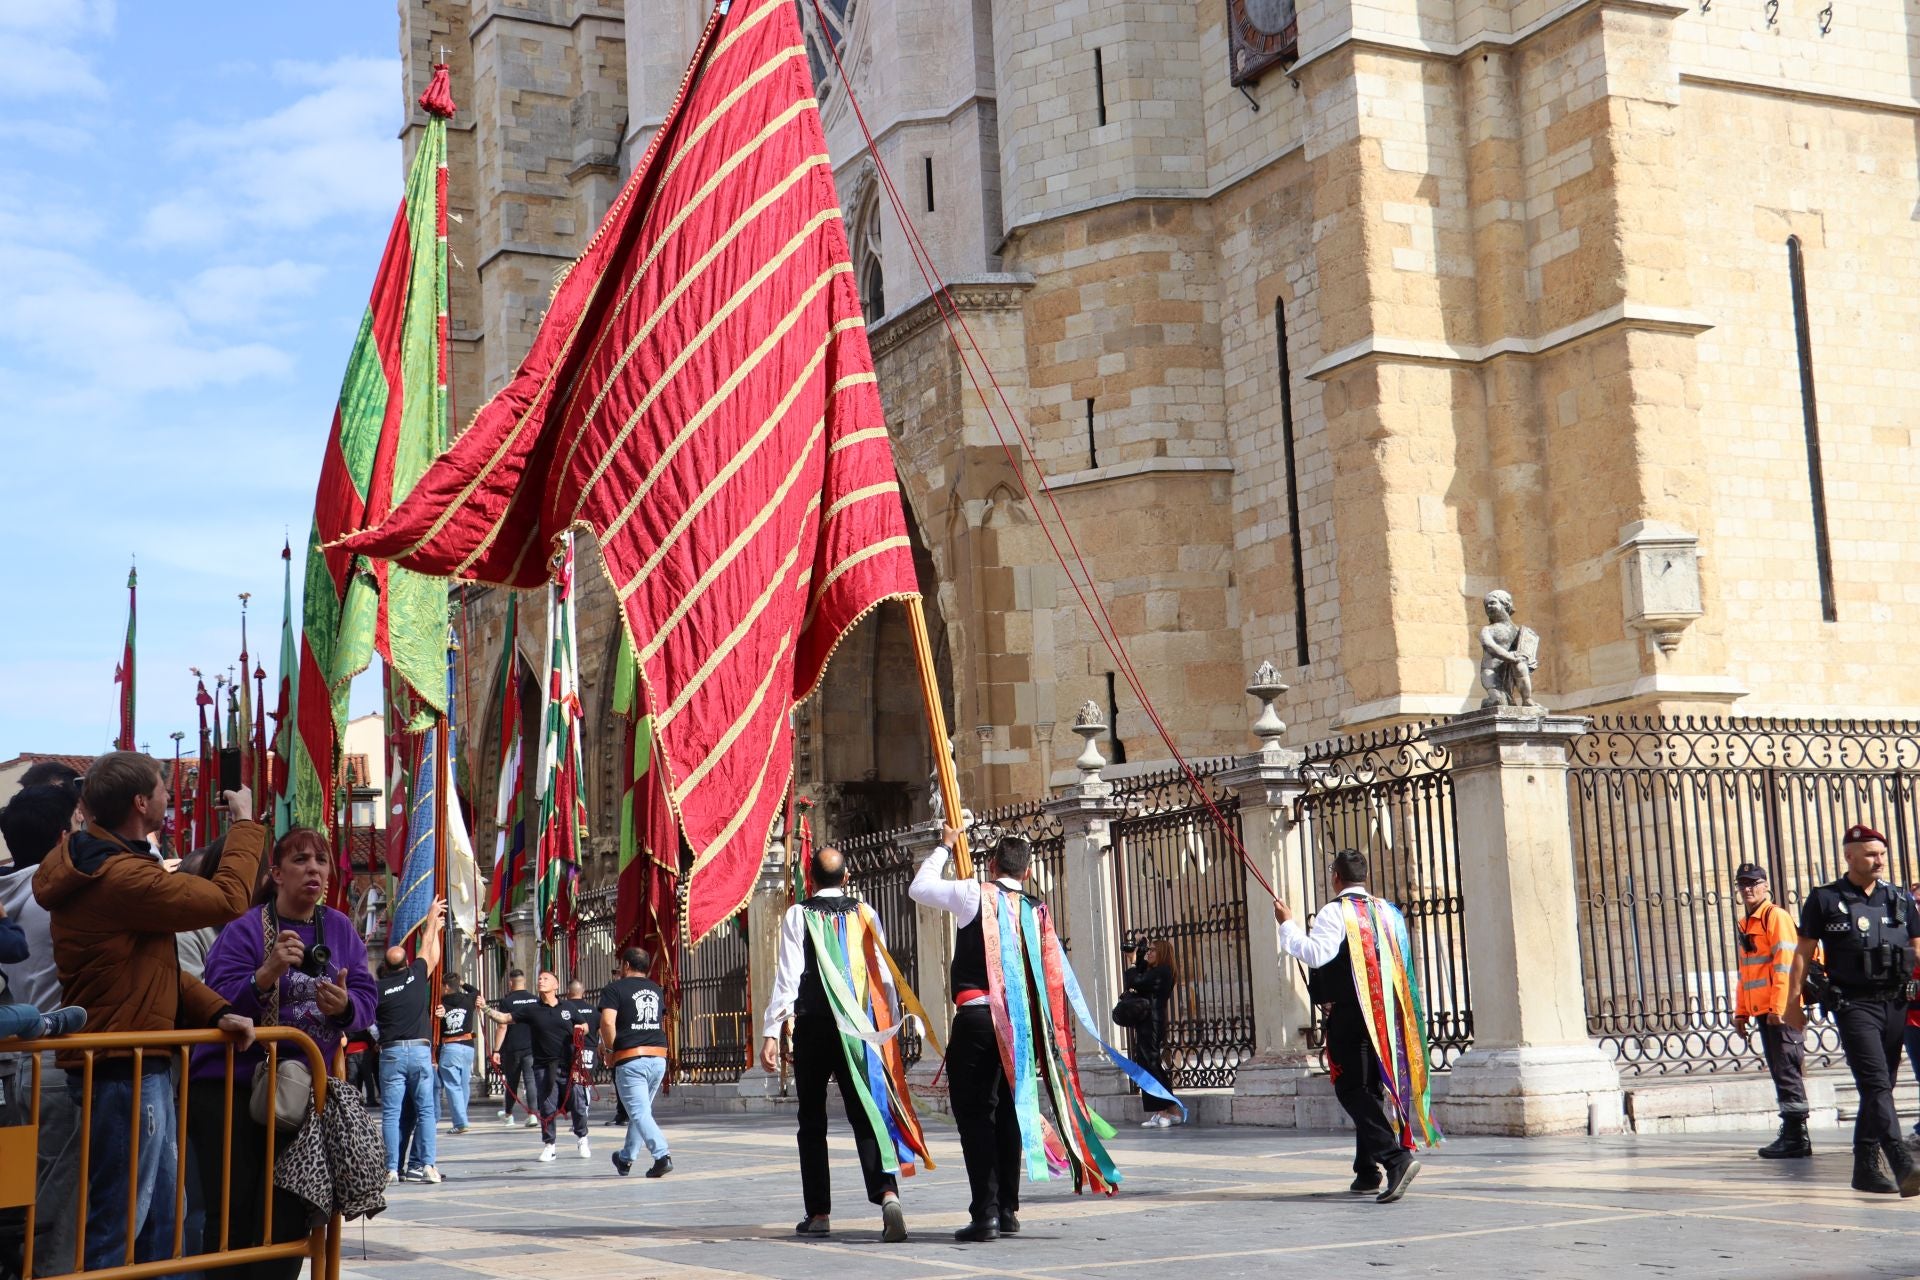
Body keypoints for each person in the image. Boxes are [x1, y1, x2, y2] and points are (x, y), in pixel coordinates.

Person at [32, 758, 261, 1272]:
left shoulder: (100, 864)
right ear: (140, 803)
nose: (166, 797)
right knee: (120, 1224)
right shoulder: (120, 877)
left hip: (132, 1063)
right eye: (162, 789)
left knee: (162, 1223)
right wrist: (244, 824)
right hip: (125, 1069)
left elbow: (149, 970)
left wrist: (216, 1008)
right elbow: (228, 898)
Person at [911, 826, 1177, 1242]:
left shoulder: (971, 894)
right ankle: (1008, 1209)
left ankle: (986, 1213)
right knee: (1009, 1110)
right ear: (1029, 871)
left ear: (993, 864)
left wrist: (945, 845)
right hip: (1021, 1027)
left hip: (978, 1020)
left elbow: (919, 887)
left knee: (976, 1115)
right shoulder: (1038, 910)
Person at [190, 827, 379, 1278]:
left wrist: (345, 1007)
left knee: (291, 1212)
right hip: (230, 1089)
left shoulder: (339, 928)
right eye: (300, 860)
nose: (313, 869)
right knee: (231, 1214)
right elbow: (213, 1000)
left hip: (301, 1097)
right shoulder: (244, 929)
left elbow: (367, 1000)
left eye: (320, 860)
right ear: (276, 873)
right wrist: (266, 973)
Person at [762, 845, 933, 1242]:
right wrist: (886, 1026)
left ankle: (819, 1212)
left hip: (813, 1027)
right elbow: (883, 976)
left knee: (812, 1121)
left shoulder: (797, 914)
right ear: (846, 878)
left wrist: (772, 1030)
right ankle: (887, 1193)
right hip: (859, 1029)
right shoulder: (865, 912)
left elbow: (789, 976)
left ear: (811, 878)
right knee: (868, 1114)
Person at [1272, 849, 1439, 1204]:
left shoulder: (1335, 912)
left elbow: (1316, 954)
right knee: (1370, 1088)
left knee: (1350, 1088)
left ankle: (1395, 1159)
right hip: (1385, 1015)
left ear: (1336, 878)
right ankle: (1366, 1171)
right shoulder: (1388, 911)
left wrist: (1287, 923)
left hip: (1350, 1013)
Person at [1784, 824, 1920, 1196]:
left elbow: (1917, 947)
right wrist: (1792, 1002)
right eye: (1871, 854)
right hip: (1854, 1004)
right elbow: (1803, 953)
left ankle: (1863, 1166)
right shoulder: (1825, 899)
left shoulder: (1899, 899)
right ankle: (1900, 1161)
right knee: (1876, 1084)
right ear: (1849, 855)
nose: (1880, 861)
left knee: (1881, 1087)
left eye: (1882, 854)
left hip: (1895, 1002)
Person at [0, 781, 86, 1276]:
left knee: (18, 1200)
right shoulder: (55, 899)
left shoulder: (9, 897)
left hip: (17, 1068)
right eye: (77, 828)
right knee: (54, 1207)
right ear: (61, 839)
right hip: (56, 1066)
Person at [1732, 862, 1810, 1159]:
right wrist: (1742, 1012)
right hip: (1765, 1010)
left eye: (1753, 883)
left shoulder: (1774, 917)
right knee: (1781, 1070)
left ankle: (1797, 1136)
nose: (1748, 888)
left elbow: (1786, 966)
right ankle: (1792, 1132)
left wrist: (1780, 1007)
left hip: (1781, 1010)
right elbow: (1746, 972)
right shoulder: (1747, 923)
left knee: (1788, 1070)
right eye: (1743, 884)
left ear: (1766, 886)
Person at [375, 899, 447, 1184]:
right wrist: (432, 922)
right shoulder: (415, 977)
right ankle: (427, 1165)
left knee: (390, 1114)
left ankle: (390, 1168)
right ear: (406, 964)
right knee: (426, 1110)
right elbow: (429, 953)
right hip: (419, 1052)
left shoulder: (378, 989)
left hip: (391, 1054)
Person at [481, 971, 586, 1160]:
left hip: (569, 1066)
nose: (541, 980)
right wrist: (485, 1008)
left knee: (577, 1103)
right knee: (547, 1106)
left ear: (556, 985)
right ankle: (549, 1144)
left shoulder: (568, 1008)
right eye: (539, 978)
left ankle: (582, 1137)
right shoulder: (532, 1009)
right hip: (543, 1066)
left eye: (546, 978)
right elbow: (504, 1019)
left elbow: (584, 1025)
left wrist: (580, 1028)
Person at [599, 947, 671, 1178]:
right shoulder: (656, 989)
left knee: (639, 1112)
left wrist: (610, 1050)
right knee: (640, 1112)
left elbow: (608, 1022)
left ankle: (662, 1155)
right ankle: (625, 1159)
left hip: (631, 1058)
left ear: (626, 966)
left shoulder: (614, 989)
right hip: (658, 1055)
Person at [1122, 939, 1179, 1128]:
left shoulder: (1162, 971)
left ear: (1162, 953)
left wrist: (1131, 962)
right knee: (1153, 1064)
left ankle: (1161, 1112)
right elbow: (1141, 979)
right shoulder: (1161, 971)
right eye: (1149, 950)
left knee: (1149, 1066)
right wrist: (1138, 956)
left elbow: (1136, 981)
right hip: (1152, 1022)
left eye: (1153, 950)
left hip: (1150, 1023)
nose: (1150, 953)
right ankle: (1173, 1111)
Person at [490, 969, 540, 1127]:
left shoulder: (507, 1001)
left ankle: (509, 1114)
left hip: (513, 1047)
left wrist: (496, 1050)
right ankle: (533, 1115)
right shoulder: (535, 1000)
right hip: (531, 1046)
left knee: (511, 1082)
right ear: (524, 981)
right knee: (530, 1080)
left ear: (510, 983)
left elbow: (502, 1026)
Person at [437, 972, 479, 1135]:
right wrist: (462, 983)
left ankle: (460, 1122)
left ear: (446, 987)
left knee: (452, 1086)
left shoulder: (440, 1004)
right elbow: (476, 991)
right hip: (468, 1046)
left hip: (451, 1045)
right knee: (463, 1084)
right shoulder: (468, 999)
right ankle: (462, 1117)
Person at [559, 977, 598, 1149]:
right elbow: (599, 1030)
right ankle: (582, 1116)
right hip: (590, 1051)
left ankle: (579, 1116)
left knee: (573, 1084)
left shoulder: (565, 1009)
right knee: (585, 1084)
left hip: (571, 1051)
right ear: (584, 992)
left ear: (568, 993)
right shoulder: (594, 1010)